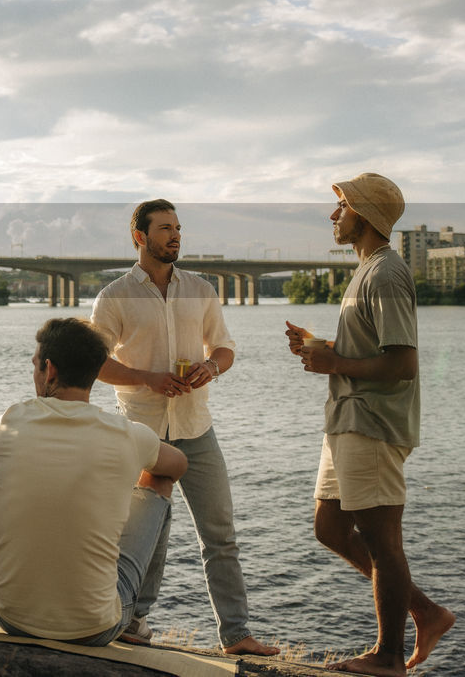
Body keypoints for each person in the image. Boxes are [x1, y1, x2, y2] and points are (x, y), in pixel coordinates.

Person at [285, 173, 455, 676]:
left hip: (373, 423)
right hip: (347, 419)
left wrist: (334, 364)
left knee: (383, 542)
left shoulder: (385, 274)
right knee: (330, 527)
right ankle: (426, 613)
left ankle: (388, 657)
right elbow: (370, 352)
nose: (333, 215)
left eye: (342, 206)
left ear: (365, 214)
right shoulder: (365, 271)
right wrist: (324, 348)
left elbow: (403, 364)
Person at [90, 199, 278, 655]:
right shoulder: (114, 296)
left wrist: (211, 368)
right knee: (147, 534)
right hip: (143, 434)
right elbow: (94, 363)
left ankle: (236, 635)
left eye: (178, 228)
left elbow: (225, 348)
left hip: (197, 429)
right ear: (140, 237)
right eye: (164, 229)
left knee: (221, 534)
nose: (175, 236)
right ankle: (133, 621)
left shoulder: (201, 290)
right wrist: (146, 378)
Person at [0, 317, 188, 645]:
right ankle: (136, 618)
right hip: (94, 629)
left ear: (49, 370)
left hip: (10, 616)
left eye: (35, 366)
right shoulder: (126, 434)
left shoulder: (8, 421)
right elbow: (179, 465)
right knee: (160, 479)